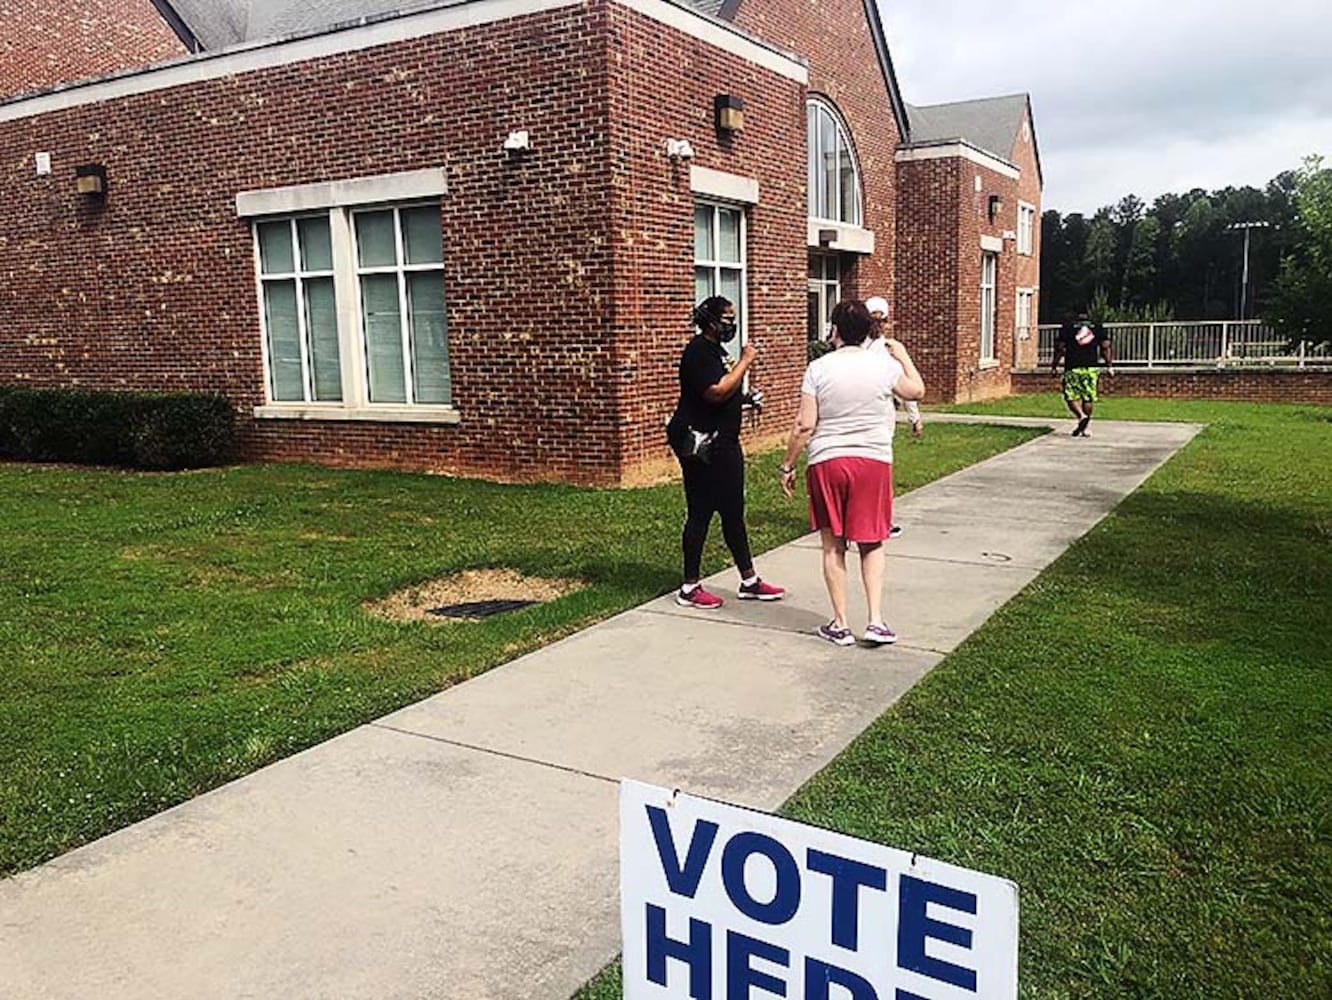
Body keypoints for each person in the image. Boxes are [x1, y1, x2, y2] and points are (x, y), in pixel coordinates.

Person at [779, 300, 925, 646]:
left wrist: (787, 465)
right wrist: (902, 354)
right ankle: (875, 621)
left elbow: (804, 425)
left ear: (836, 330)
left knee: (833, 546)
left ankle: (840, 624)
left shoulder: (818, 368)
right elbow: (916, 391)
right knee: (872, 543)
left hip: (828, 461)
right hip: (873, 461)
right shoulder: (883, 366)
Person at [667, 296, 785, 609]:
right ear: (709, 320)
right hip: (706, 445)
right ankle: (689, 587)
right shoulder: (698, 351)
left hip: (724, 442)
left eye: (733, 319)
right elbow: (715, 391)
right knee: (701, 511)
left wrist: (745, 398)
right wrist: (746, 360)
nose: (731, 325)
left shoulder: (716, 352)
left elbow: (723, 391)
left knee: (732, 510)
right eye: (727, 319)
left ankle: (749, 580)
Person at [865, 296, 924, 440]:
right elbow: (908, 390)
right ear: (885, 323)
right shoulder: (890, 351)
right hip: (881, 420)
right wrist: (915, 417)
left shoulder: (854, 349)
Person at [1052, 308, 1115, 436]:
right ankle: (1086, 427)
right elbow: (1105, 347)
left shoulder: (1067, 327)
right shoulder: (1097, 326)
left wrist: (1054, 365)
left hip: (1073, 366)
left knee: (1070, 395)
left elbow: (1060, 348)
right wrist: (1109, 366)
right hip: (1091, 367)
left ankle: (1081, 416)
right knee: (1088, 397)